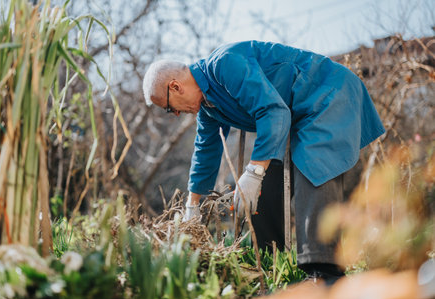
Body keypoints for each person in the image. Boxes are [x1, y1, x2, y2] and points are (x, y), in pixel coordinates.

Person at [142, 40, 385, 283]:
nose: (174, 114)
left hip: (327, 93)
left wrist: (254, 171)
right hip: (297, 113)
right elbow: (205, 151)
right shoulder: (208, 107)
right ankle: (270, 264)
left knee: (313, 167)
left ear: (175, 87)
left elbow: (273, 112)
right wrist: (192, 206)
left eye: (167, 108)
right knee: (266, 183)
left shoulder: (224, 65)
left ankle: (325, 274)